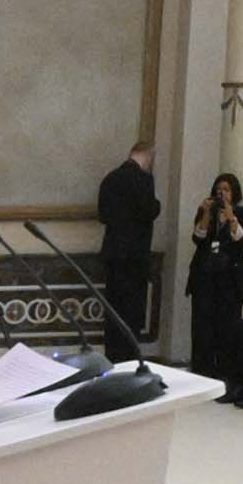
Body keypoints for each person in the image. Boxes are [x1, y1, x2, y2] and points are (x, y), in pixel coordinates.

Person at [90, 140, 161, 370]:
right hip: (135, 257)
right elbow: (149, 210)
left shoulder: (111, 178)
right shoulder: (143, 179)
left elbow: (102, 215)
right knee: (131, 311)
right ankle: (129, 361)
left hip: (113, 254)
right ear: (149, 157)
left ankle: (113, 358)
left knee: (114, 310)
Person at [179, 168, 243, 368]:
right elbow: (198, 237)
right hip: (205, 275)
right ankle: (201, 368)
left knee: (227, 327)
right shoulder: (207, 212)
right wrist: (205, 213)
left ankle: (225, 371)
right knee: (202, 327)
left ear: (235, 193)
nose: (222, 193)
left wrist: (231, 218)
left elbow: (241, 241)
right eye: (219, 189)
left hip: (229, 278)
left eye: (227, 190)